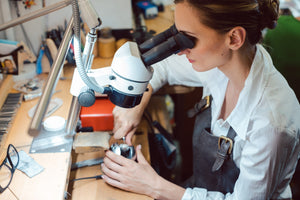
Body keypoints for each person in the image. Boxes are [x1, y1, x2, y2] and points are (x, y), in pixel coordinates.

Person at [101, 0, 300, 199]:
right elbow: (164, 66)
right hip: (201, 187)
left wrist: (155, 186)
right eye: (176, 36)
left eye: (189, 39)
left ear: (234, 38)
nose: (179, 50)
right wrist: (135, 106)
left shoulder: (271, 124)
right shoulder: (226, 61)